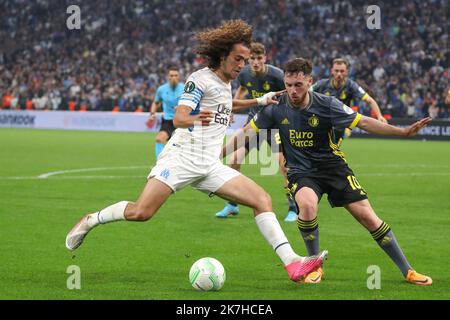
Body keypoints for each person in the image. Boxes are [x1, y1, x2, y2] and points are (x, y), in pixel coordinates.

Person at [65, 21, 327, 283]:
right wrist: (194, 118)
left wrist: (259, 100)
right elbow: (179, 118)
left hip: (209, 165)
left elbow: (227, 103)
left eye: (245, 60)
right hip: (182, 158)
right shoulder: (199, 79)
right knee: (141, 212)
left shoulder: (225, 83)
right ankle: (91, 219)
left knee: (262, 200)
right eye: (238, 59)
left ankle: (292, 263)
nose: (241, 65)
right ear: (222, 56)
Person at [232, 57, 432, 285]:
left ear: (309, 82)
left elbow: (364, 122)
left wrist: (402, 132)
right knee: (306, 205)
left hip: (333, 168)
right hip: (301, 171)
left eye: (298, 85)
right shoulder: (275, 107)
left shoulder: (326, 104)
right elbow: (247, 132)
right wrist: (218, 154)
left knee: (368, 217)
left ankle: (408, 271)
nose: (292, 90)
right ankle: (314, 265)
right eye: (288, 85)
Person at [215, 42, 298, 222]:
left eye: (259, 58)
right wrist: (231, 109)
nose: (255, 62)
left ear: (265, 58)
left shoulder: (276, 75)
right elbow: (242, 89)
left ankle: (293, 207)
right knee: (234, 160)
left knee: (284, 166)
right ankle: (232, 205)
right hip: (254, 122)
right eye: (252, 58)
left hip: (276, 124)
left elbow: (291, 93)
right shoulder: (244, 73)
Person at [312, 58, 386, 145]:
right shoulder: (322, 84)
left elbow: (369, 100)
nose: (339, 74)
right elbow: (305, 92)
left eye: (342, 71)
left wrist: (379, 116)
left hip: (340, 126)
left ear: (347, 72)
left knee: (330, 151)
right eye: (336, 71)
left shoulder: (351, 86)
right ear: (332, 71)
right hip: (323, 124)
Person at [148, 66, 185, 159]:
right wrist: (152, 114)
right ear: (168, 77)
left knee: (180, 147)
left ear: (179, 77)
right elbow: (155, 103)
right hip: (168, 121)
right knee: (159, 139)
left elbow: (193, 104)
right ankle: (159, 164)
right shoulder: (161, 89)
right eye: (171, 75)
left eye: (176, 75)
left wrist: (181, 107)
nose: (173, 78)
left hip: (182, 121)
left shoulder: (185, 88)